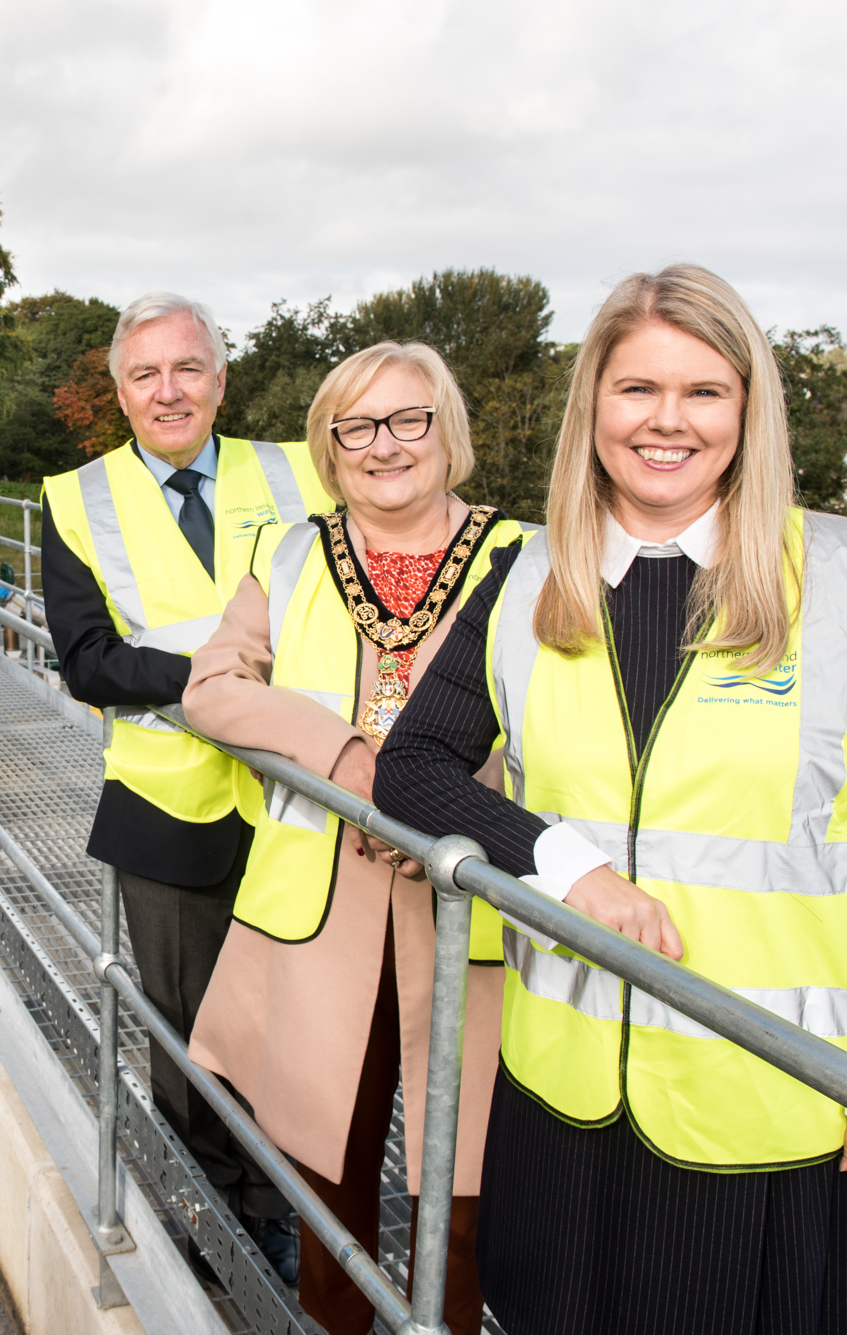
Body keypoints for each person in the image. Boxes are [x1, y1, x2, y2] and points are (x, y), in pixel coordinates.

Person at [375, 263, 847, 1335]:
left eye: (703, 392)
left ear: (747, 410)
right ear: (591, 404)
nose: (666, 421)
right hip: (567, 1097)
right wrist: (564, 868)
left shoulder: (842, 581)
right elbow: (408, 765)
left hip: (766, 1104)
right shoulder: (525, 578)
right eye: (636, 389)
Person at [182, 341, 523, 1335]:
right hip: (321, 919)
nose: (384, 446)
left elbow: (568, 728)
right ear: (329, 447)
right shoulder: (288, 556)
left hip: (470, 915)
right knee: (325, 1188)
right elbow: (211, 688)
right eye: (356, 427)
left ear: (445, 430)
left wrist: (449, 803)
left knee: (460, 1198)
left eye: (408, 419)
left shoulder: (526, 557)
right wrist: (343, 759)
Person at [39, 292, 332, 1280]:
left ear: (219, 377)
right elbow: (86, 664)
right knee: (191, 1036)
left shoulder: (298, 472)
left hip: (297, 807)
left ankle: (275, 1210)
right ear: (118, 394)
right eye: (144, 375)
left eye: (186, 369)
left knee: (294, 1024)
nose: (168, 392)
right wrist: (222, 680)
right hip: (166, 811)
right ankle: (205, 1219)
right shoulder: (73, 498)